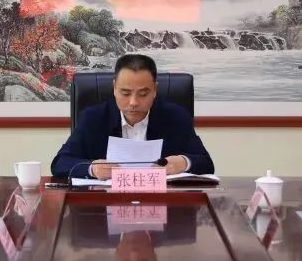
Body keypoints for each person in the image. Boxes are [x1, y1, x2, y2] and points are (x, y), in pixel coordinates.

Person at [51, 54, 214, 179]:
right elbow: (60, 163)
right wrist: (92, 168)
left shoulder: (176, 117)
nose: (133, 102)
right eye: (125, 93)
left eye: (143, 94)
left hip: (163, 204)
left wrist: (183, 163)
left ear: (155, 90)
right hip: (104, 205)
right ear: (114, 88)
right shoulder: (92, 118)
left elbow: (206, 163)